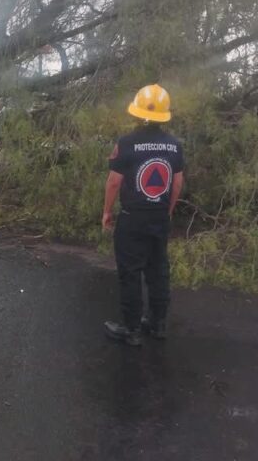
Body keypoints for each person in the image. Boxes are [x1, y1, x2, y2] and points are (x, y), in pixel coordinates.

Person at [102, 84, 184, 346]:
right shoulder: (174, 145)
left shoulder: (127, 143)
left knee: (130, 272)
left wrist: (106, 212)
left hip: (132, 218)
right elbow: (177, 183)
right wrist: (167, 211)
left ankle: (132, 329)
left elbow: (114, 182)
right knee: (158, 271)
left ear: (136, 112)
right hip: (159, 217)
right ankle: (158, 324)